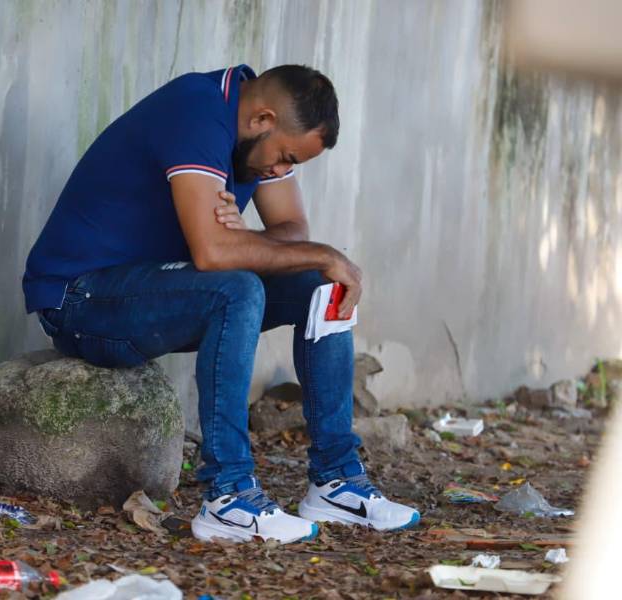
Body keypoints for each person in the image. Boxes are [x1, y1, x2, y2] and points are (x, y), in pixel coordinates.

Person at [23, 64, 420, 543]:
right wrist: (286, 249)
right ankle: (228, 494)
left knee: (320, 284)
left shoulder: (255, 132)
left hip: (156, 291)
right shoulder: (196, 110)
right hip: (80, 299)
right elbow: (214, 254)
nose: (278, 171)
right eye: (284, 158)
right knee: (239, 287)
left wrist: (250, 239)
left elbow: (291, 230)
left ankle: (336, 481)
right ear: (262, 120)